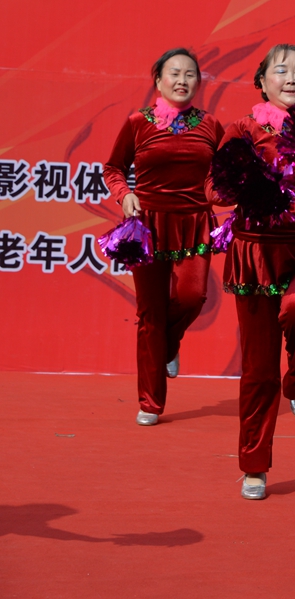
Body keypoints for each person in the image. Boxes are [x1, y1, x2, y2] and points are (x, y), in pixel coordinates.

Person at [208, 44, 295, 500]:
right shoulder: (242, 130)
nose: (292, 78)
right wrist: (247, 184)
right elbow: (213, 190)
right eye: (281, 70)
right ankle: (254, 465)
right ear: (262, 82)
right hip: (257, 253)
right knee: (259, 370)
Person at [103, 48, 223, 426]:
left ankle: (169, 344)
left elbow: (226, 172)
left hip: (194, 223)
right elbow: (113, 168)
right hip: (147, 226)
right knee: (150, 314)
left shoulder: (211, 125)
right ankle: (150, 402)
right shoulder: (138, 122)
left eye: (190, 74)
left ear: (198, 82)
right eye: (174, 73)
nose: (182, 80)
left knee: (193, 296)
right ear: (158, 80)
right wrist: (125, 195)